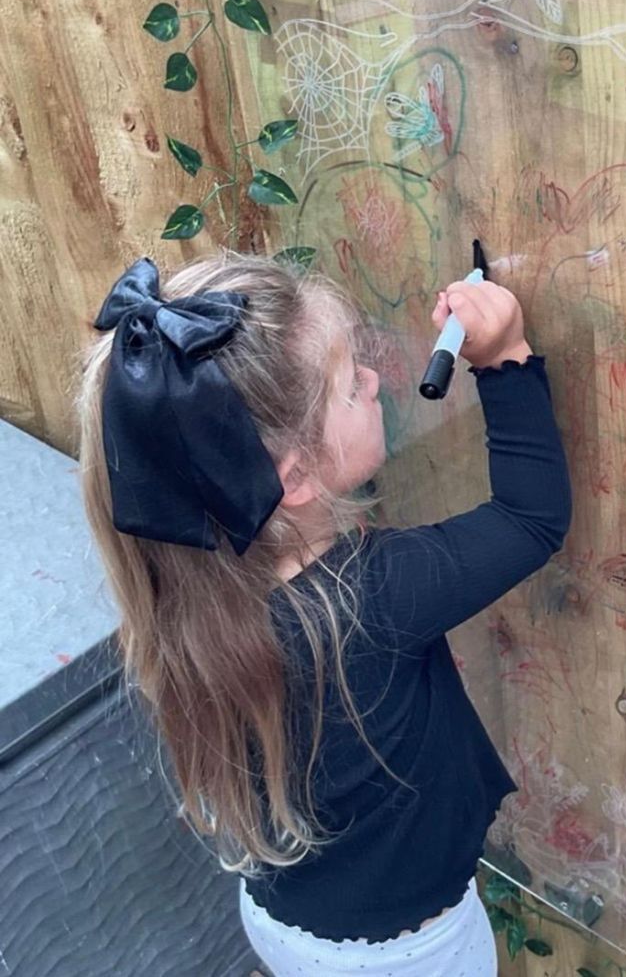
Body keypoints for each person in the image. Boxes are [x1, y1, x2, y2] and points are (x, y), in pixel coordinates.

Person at [76, 250, 572, 976]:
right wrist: (504, 356)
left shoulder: (181, 593)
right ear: (297, 476)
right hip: (412, 955)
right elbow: (530, 519)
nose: (372, 381)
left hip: (282, 921)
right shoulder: (373, 597)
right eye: (350, 386)